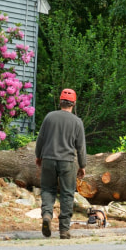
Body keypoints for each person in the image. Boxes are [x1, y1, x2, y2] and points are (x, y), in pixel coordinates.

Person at [35, 88, 87, 239]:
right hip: (67, 162)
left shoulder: (49, 117)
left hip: (49, 159)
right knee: (67, 193)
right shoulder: (77, 122)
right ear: (74, 104)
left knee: (47, 189)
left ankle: (47, 215)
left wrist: (38, 156)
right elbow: (81, 146)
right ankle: (64, 230)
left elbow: (40, 139)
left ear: (60, 102)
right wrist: (83, 165)